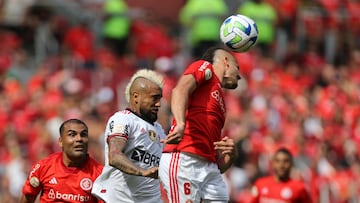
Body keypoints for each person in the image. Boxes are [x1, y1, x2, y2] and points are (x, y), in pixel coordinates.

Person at [159, 46, 240, 202]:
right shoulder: (205, 67)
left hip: (209, 169)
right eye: (238, 68)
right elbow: (180, 90)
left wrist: (232, 156)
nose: (240, 76)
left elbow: (218, 165)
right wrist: (180, 123)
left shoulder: (218, 99)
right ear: (226, 62)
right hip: (184, 159)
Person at [91, 69, 166, 202]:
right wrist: (142, 171)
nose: (158, 104)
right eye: (154, 98)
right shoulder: (123, 119)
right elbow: (114, 156)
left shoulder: (159, 130)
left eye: (159, 99)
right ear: (136, 97)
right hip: (120, 199)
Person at [20, 118, 104, 203]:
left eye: (83, 135)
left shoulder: (100, 174)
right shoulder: (43, 167)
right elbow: (27, 198)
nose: (79, 139)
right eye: (72, 134)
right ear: (61, 141)